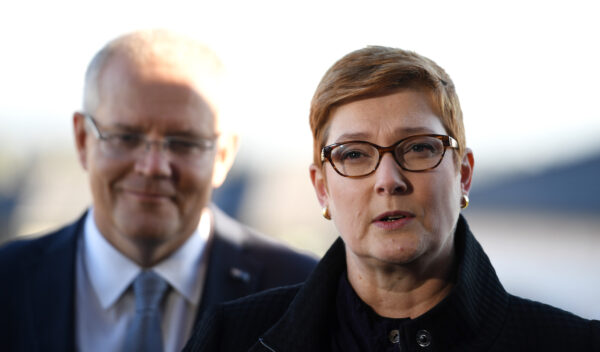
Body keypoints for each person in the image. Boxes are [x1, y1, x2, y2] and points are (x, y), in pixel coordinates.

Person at [184, 46, 600, 352]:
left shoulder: (573, 344)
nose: (389, 180)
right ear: (322, 188)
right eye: (354, 154)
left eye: (419, 148)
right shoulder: (231, 338)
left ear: (464, 174)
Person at [0, 29, 317, 352]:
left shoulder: (307, 295)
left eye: (184, 142)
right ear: (83, 139)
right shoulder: (7, 283)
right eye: (126, 137)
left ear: (223, 155)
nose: (153, 166)